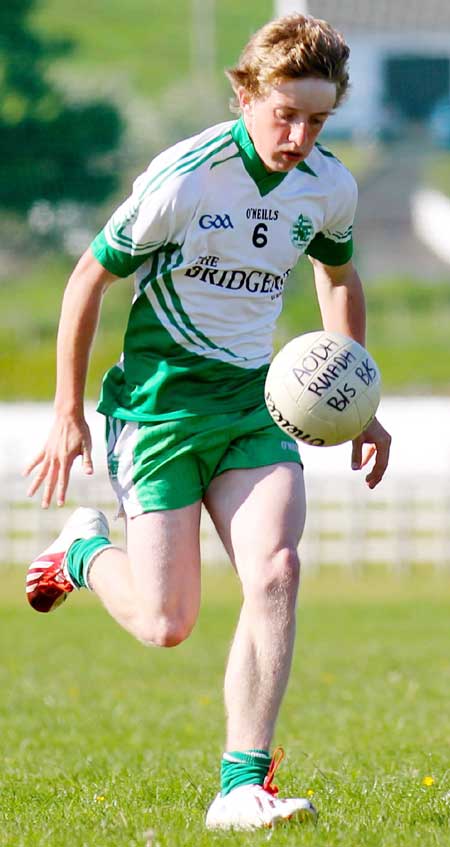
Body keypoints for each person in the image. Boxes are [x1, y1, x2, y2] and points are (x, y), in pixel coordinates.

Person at [24, 13, 391, 831]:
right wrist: (67, 412)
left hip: (252, 407)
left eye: (317, 120)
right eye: (284, 113)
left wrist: (353, 388)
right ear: (246, 93)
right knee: (165, 623)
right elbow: (87, 278)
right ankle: (84, 550)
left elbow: (339, 277)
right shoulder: (186, 176)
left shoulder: (329, 183)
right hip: (156, 411)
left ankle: (241, 785)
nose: (298, 135)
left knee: (277, 569)